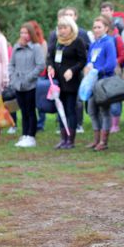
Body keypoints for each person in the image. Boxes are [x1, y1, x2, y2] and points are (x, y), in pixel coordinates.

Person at [47, 16, 87, 149]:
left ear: (71, 28)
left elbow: (82, 61)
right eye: (60, 28)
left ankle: (71, 140)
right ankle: (63, 139)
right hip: (58, 82)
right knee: (60, 110)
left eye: (65, 28)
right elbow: (50, 57)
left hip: (71, 81)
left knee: (70, 110)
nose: (62, 31)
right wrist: (50, 66)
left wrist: (72, 70)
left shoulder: (77, 42)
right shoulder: (57, 42)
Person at [9, 23, 45, 148]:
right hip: (18, 84)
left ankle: (31, 136)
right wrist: (13, 78)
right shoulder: (16, 47)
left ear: (31, 34)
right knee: (23, 111)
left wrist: (29, 78)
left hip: (31, 85)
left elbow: (40, 65)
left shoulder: (36, 47)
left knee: (30, 111)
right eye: (22, 32)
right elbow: (11, 64)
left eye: (26, 33)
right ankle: (24, 134)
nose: (24, 35)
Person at [85, 16, 117, 151]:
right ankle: (96, 139)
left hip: (103, 82)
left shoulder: (109, 42)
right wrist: (87, 67)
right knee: (92, 110)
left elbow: (111, 64)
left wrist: (97, 70)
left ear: (106, 28)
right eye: (95, 27)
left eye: (99, 27)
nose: (96, 30)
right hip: (92, 82)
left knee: (104, 111)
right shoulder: (94, 44)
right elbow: (89, 61)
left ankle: (104, 141)